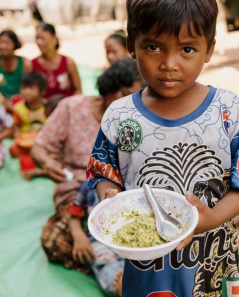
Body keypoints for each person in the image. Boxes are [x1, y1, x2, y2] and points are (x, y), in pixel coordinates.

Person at [86, 0, 239, 296]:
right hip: (144, 259)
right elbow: (103, 172)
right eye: (153, 47)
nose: (169, 64)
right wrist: (111, 199)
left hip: (207, 258)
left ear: (209, 49)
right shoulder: (119, 115)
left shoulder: (229, 109)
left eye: (187, 49)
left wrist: (209, 218)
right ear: (131, 45)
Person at [30, 58, 144, 275]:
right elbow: (39, 148)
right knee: (55, 241)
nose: (127, 102)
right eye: (122, 94)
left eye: (134, 98)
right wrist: (47, 162)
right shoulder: (71, 107)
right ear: (109, 86)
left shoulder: (136, 120)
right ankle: (112, 267)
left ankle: (110, 265)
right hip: (76, 195)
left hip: (118, 196)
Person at [68, 181, 124, 296]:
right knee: (103, 260)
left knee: (132, 262)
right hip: (98, 240)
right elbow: (74, 217)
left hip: (123, 238)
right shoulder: (86, 187)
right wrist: (78, 234)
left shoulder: (127, 184)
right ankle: (117, 286)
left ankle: (127, 279)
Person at [9, 71, 47, 180]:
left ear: (42, 91)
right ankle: (34, 163)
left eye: (31, 88)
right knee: (13, 149)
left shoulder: (46, 107)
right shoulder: (17, 108)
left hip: (42, 141)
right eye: (23, 88)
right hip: (25, 143)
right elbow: (16, 126)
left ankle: (37, 166)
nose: (26, 92)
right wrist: (17, 138)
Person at [32, 22, 82, 99]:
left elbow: (78, 90)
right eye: (37, 38)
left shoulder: (68, 62)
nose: (39, 42)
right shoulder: (32, 64)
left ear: (54, 39)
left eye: (43, 38)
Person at [0, 30, 32, 106]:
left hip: (21, 100)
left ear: (14, 44)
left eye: (7, 43)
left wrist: (15, 100)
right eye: (0, 42)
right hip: (1, 100)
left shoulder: (25, 62)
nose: (3, 46)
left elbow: (28, 87)